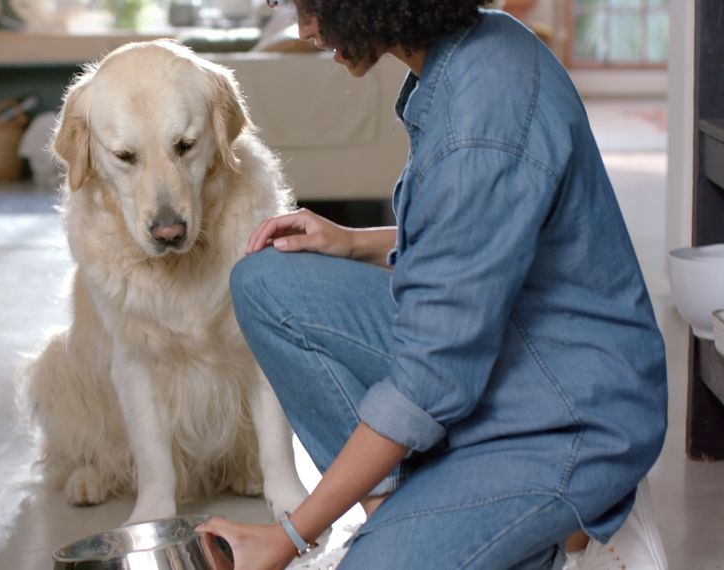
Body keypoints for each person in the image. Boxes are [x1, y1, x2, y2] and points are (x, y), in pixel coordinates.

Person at [196, 1, 668, 569]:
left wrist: (291, 535)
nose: (304, 30)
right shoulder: (473, 51)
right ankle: (415, 516)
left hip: (569, 421)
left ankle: (545, 534)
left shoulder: (483, 113)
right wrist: (356, 241)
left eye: (314, 4)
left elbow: (429, 383)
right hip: (511, 358)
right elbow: (475, 241)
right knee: (267, 282)